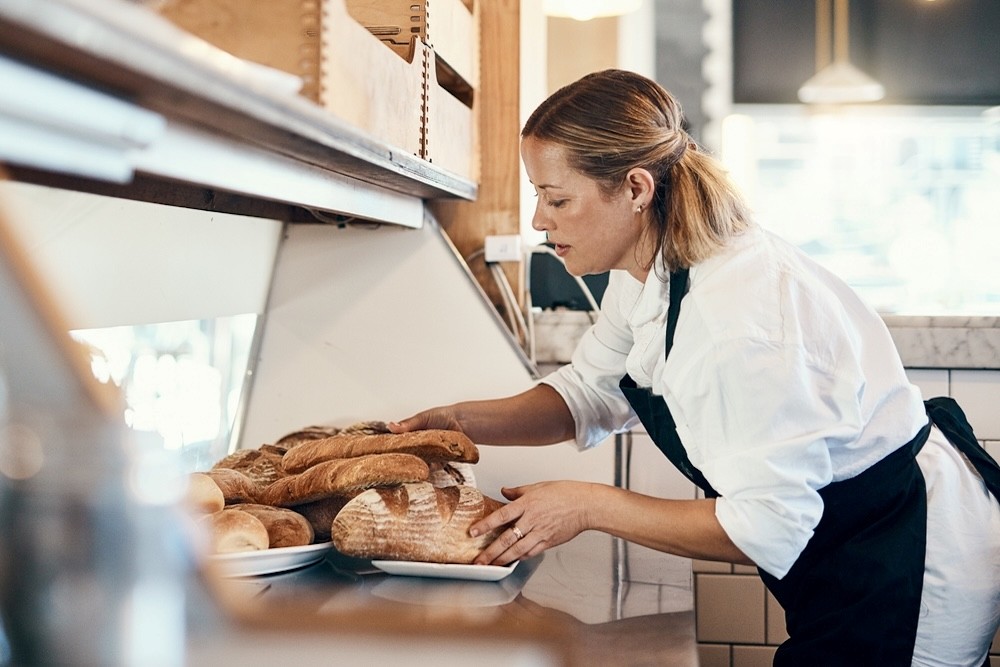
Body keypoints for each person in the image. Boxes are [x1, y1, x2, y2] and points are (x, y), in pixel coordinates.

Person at [388, 69, 1000, 666]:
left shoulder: (734, 318)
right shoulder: (649, 269)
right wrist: (452, 422)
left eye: (558, 198)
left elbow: (766, 525)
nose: (539, 221)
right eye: (538, 196)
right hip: (849, 548)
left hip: (911, 560)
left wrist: (587, 506)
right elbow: (585, 394)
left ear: (635, 189)